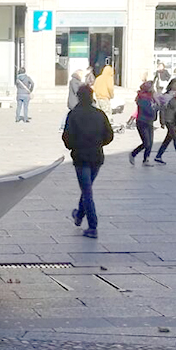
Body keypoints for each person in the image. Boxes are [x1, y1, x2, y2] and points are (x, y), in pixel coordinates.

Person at [62, 85, 114, 239]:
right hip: (96, 157)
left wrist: (74, 146)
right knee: (87, 189)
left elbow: (67, 137)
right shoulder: (99, 114)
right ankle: (78, 215)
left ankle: (93, 226)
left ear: (78, 96)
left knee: (87, 191)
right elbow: (109, 135)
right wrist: (98, 144)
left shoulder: (74, 115)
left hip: (81, 157)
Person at [154, 78, 176, 166]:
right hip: (168, 120)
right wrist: (162, 121)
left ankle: (158, 156)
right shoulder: (166, 96)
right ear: (171, 85)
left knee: (168, 139)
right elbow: (162, 108)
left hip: (175, 120)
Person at [129, 81, 158, 167]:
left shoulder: (152, 97)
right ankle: (133, 154)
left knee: (150, 142)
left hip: (150, 121)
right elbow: (148, 109)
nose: (154, 89)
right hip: (142, 121)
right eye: (152, 87)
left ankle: (146, 159)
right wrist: (156, 107)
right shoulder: (143, 97)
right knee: (146, 142)